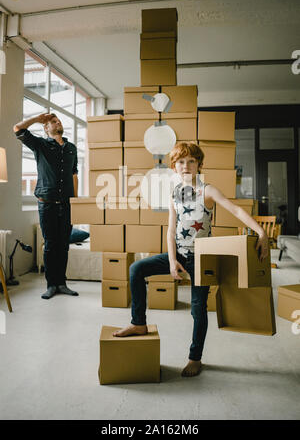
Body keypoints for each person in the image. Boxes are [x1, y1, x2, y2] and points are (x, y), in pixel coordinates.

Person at [113, 142, 269, 377]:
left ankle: (195, 358)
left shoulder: (208, 190)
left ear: (199, 165)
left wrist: (262, 232)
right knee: (137, 268)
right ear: (174, 167)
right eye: (181, 162)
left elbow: (235, 210)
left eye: (191, 161)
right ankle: (138, 322)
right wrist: (173, 260)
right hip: (179, 254)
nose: (186, 165)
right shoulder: (175, 193)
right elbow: (170, 230)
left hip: (201, 258)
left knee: (198, 309)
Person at [13, 113, 79, 300]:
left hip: (66, 205)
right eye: (52, 122)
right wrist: (38, 118)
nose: (57, 122)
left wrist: (75, 201)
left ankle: (62, 283)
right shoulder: (40, 145)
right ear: (46, 128)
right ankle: (51, 285)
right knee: (50, 245)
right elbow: (17, 129)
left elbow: (74, 175)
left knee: (63, 245)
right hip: (46, 205)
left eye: (58, 120)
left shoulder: (72, 149)